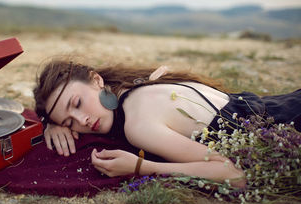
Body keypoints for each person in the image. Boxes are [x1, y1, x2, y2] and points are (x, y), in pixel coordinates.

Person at [33, 59, 301, 189]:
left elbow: (233, 175)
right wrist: (50, 122)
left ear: (96, 80)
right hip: (279, 104)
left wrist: (140, 167)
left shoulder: (137, 126)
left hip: (290, 126)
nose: (82, 121)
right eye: (70, 122)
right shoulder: (135, 84)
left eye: (77, 104)